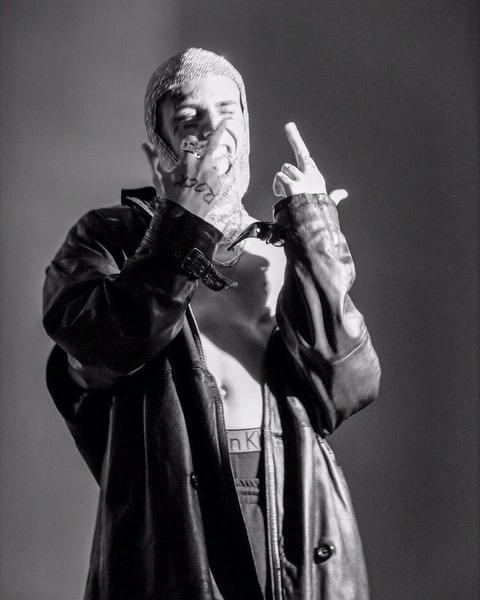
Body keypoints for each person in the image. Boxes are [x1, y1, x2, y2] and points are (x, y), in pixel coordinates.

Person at [43, 48, 381, 600]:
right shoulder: (111, 239)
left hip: (289, 501)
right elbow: (97, 350)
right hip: (174, 510)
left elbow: (348, 388)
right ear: (160, 144)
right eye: (189, 117)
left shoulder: (280, 247)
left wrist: (316, 232)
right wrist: (181, 223)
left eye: (228, 111)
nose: (215, 129)